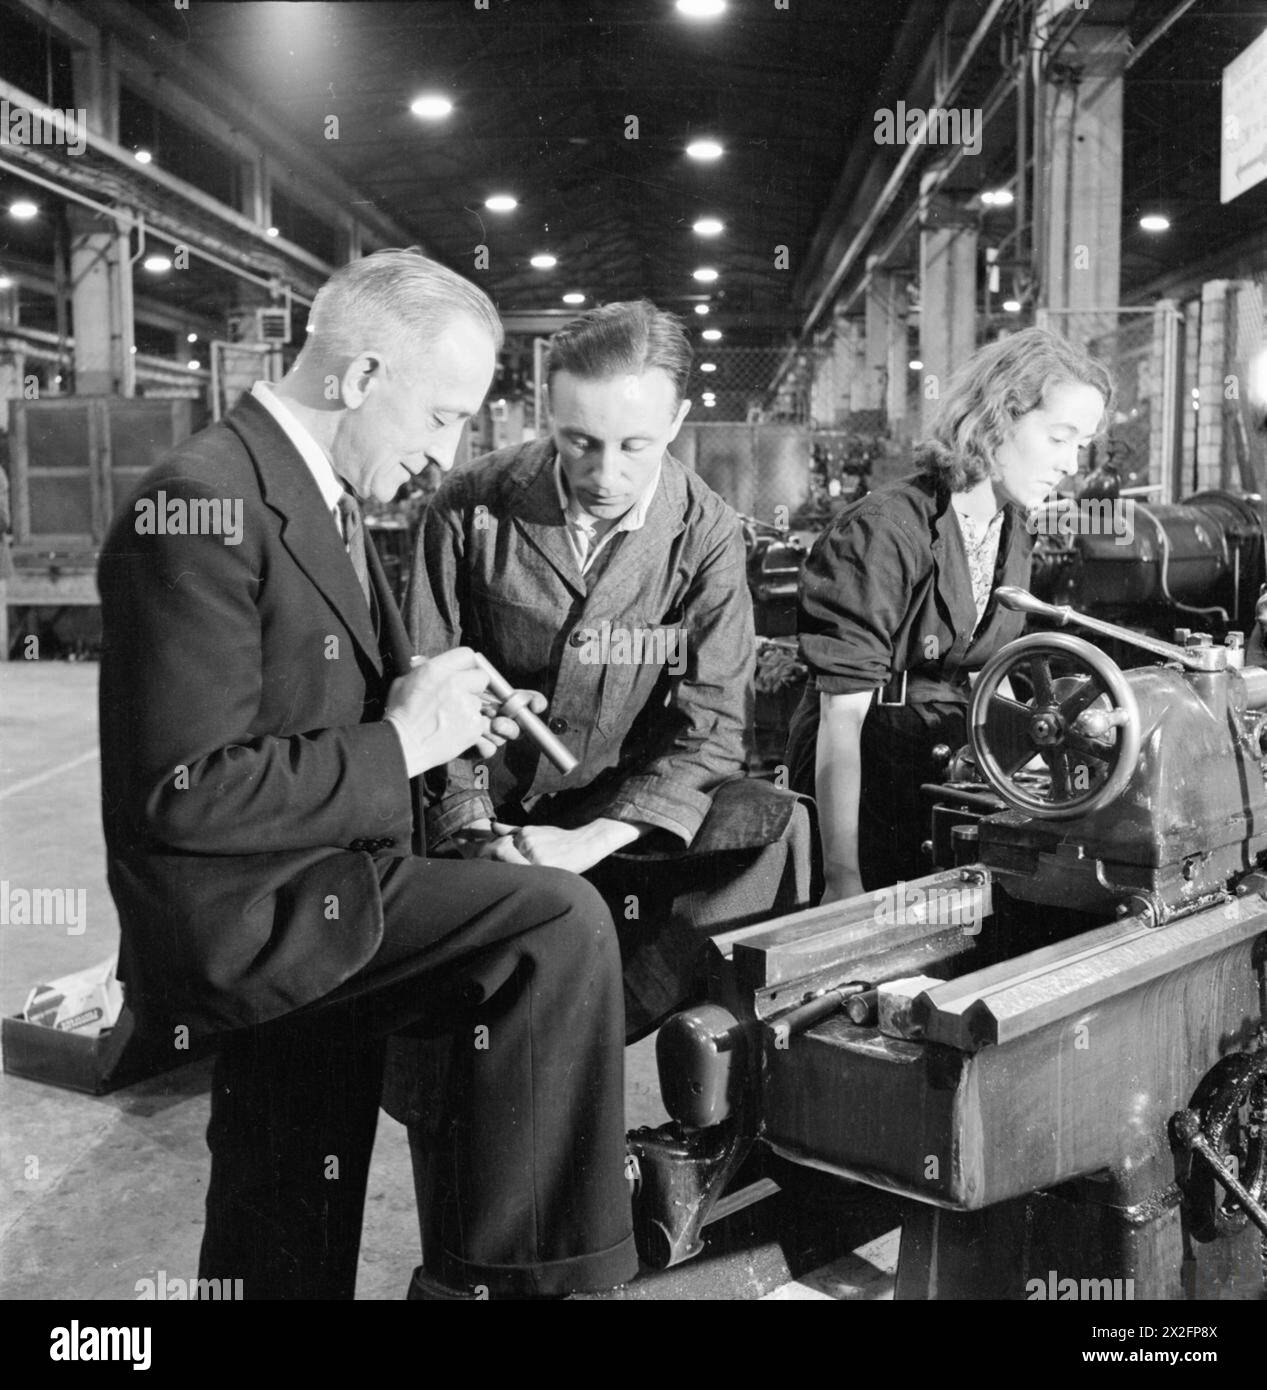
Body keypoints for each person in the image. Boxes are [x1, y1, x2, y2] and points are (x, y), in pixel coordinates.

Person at [96, 248, 638, 1300]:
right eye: (440, 417)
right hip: (249, 910)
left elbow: (312, 700)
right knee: (553, 927)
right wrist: (403, 744)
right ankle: (506, 1286)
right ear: (358, 379)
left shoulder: (319, 491)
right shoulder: (199, 503)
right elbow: (183, 791)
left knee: (284, 1184)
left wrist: (426, 699)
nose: (446, 456)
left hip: (315, 870)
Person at [401, 299, 814, 1043]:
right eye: (578, 441)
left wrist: (593, 838)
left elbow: (711, 727)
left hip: (617, 822)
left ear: (679, 418)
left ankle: (628, 1015)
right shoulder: (468, 506)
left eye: (635, 445)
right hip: (477, 811)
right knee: (456, 1046)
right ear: (547, 411)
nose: (604, 474)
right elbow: (421, 677)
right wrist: (471, 826)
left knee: (776, 828)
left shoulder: (708, 534)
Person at [785, 327, 1114, 903]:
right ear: (998, 420)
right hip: (867, 779)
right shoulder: (883, 531)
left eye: (1080, 446)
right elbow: (841, 718)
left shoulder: (1013, 527)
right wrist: (842, 876)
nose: (1070, 465)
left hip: (944, 765)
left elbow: (996, 667)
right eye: (1060, 438)